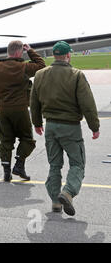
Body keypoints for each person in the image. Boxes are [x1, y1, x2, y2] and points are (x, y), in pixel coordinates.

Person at [30, 41, 100, 215]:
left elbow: (34, 102)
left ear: (54, 55)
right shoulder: (76, 75)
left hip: (50, 127)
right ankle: (68, 192)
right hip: (70, 128)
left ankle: (55, 201)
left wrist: (37, 123)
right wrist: (94, 126)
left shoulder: (39, 75)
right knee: (77, 163)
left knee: (54, 165)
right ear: (68, 55)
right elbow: (88, 104)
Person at [0, 40, 46, 182]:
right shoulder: (23, 67)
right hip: (20, 109)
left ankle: (6, 171)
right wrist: (30, 51)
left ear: (8, 51)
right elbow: (42, 66)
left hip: (3, 110)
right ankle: (19, 165)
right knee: (27, 139)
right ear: (19, 52)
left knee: (5, 141)